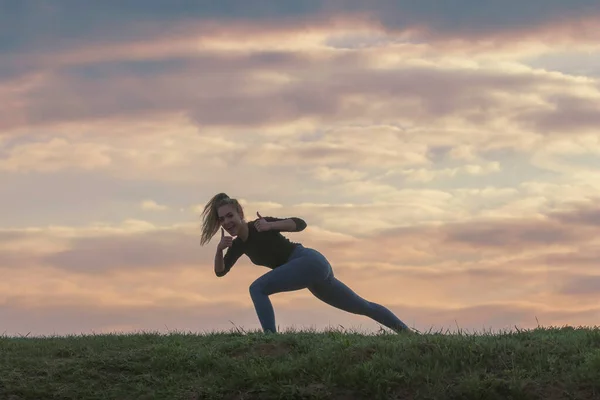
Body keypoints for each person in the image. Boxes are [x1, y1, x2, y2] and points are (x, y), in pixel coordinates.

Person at [200, 192, 414, 334]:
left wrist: (271, 226)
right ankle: (410, 336)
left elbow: (300, 224)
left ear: (239, 213)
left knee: (257, 288)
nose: (227, 222)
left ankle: (271, 341)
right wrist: (219, 250)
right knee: (362, 306)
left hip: (309, 260)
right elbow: (221, 271)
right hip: (313, 277)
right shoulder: (238, 245)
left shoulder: (259, 225)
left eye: (230, 216)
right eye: (222, 219)